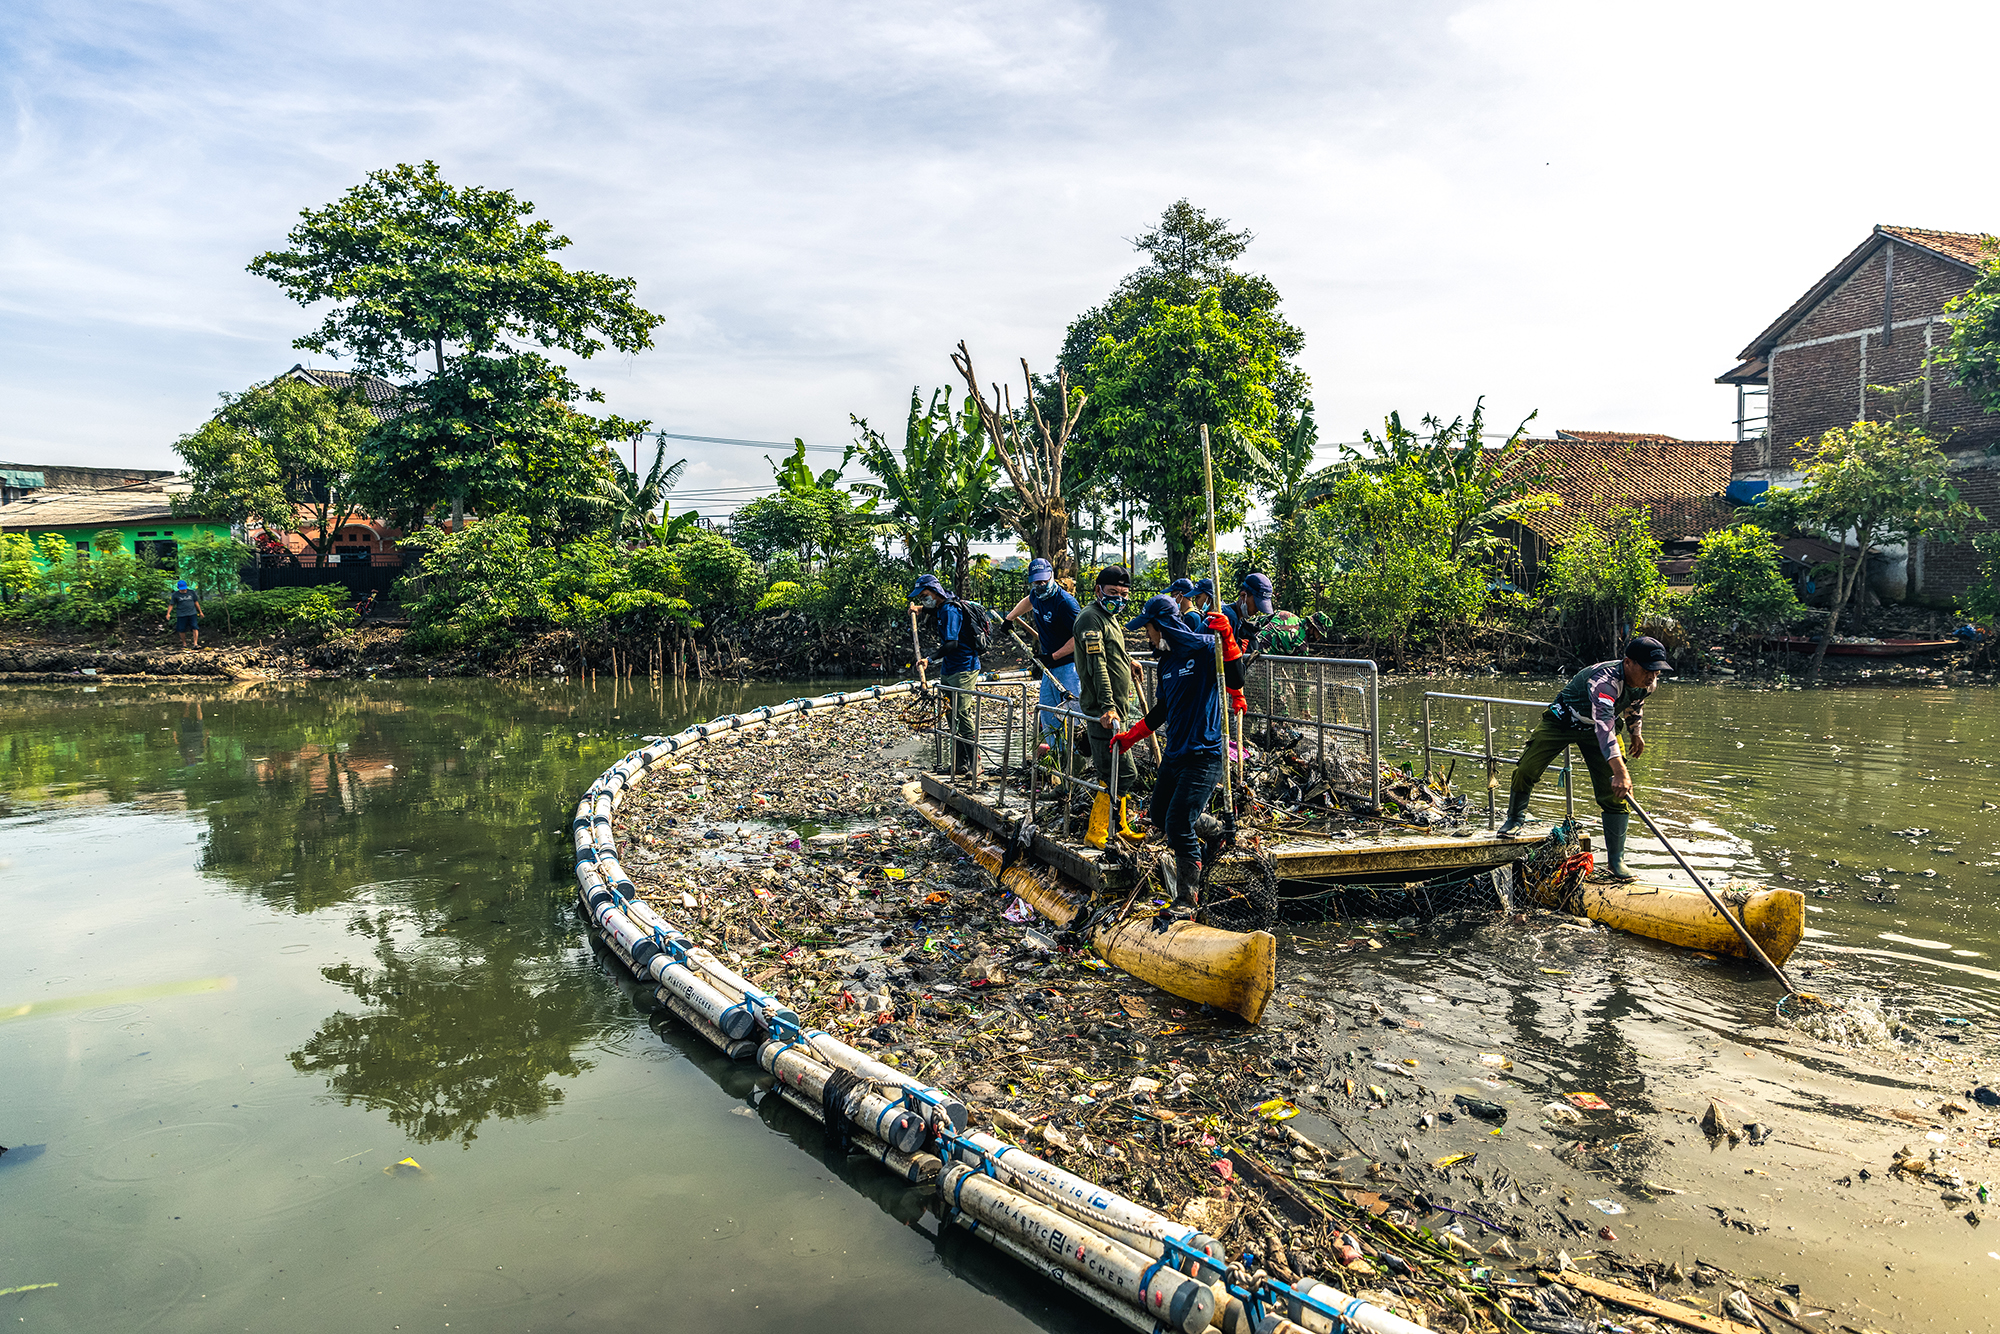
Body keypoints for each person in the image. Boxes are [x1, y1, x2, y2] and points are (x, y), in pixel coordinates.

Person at [1495, 636, 1674, 883]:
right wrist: (1621, 771)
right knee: (1527, 767)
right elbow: (1604, 728)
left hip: (1599, 730)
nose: (1652, 677)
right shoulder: (1605, 683)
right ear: (1628, 662)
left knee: (1615, 794)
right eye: (1647, 670)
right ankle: (1515, 818)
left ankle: (1616, 861)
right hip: (1564, 721)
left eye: (1656, 672)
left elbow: (1635, 704)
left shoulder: (1648, 683)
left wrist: (1636, 733)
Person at [1111, 594, 1248, 914]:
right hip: (1176, 753)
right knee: (1159, 816)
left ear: (1161, 626)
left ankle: (1187, 898)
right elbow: (1162, 710)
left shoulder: (1203, 647)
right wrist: (1130, 737)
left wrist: (1227, 638)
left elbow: (1236, 678)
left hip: (1205, 754)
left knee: (1178, 823)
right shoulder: (1166, 663)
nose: (1147, 635)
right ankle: (1217, 831)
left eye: (1148, 629)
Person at [1003, 557, 1082, 757]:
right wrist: (1010, 617)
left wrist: (1054, 656)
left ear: (1052, 577)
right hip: (1049, 666)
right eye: (1036, 582)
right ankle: (1057, 758)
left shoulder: (1065, 603)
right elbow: (1029, 600)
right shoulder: (1037, 595)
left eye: (1044, 581)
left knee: (1073, 716)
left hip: (1068, 666)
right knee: (1047, 714)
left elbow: (1080, 637)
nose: (1040, 585)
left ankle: (1076, 761)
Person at [1072, 565, 1141, 796]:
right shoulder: (1091, 618)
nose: (1118, 599)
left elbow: (1111, 650)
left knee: (1118, 772)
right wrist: (1108, 707)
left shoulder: (1108, 616)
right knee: (1119, 773)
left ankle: (1118, 826)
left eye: (1123, 595)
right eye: (1113, 592)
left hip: (1117, 711)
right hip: (1104, 713)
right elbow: (1097, 664)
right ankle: (1098, 830)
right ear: (1098, 591)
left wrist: (1128, 661)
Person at [910, 573, 982, 774]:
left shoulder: (950, 610)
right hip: (949, 668)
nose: (923, 598)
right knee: (950, 714)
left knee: (961, 713)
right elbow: (936, 610)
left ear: (934, 592)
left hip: (964, 668)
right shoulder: (942, 606)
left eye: (924, 595)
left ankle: (976, 764)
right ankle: (959, 765)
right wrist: (920, 609)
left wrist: (929, 659)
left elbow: (952, 643)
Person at [169, 579, 203, 648]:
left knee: (195, 627)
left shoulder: (191, 593)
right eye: (182, 589)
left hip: (192, 613)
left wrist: (200, 612)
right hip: (181, 614)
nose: (183, 590)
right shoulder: (175, 595)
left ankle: (195, 644)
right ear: (178, 588)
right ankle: (184, 644)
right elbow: (171, 604)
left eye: (184, 589)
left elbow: (196, 602)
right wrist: (168, 613)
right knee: (181, 629)